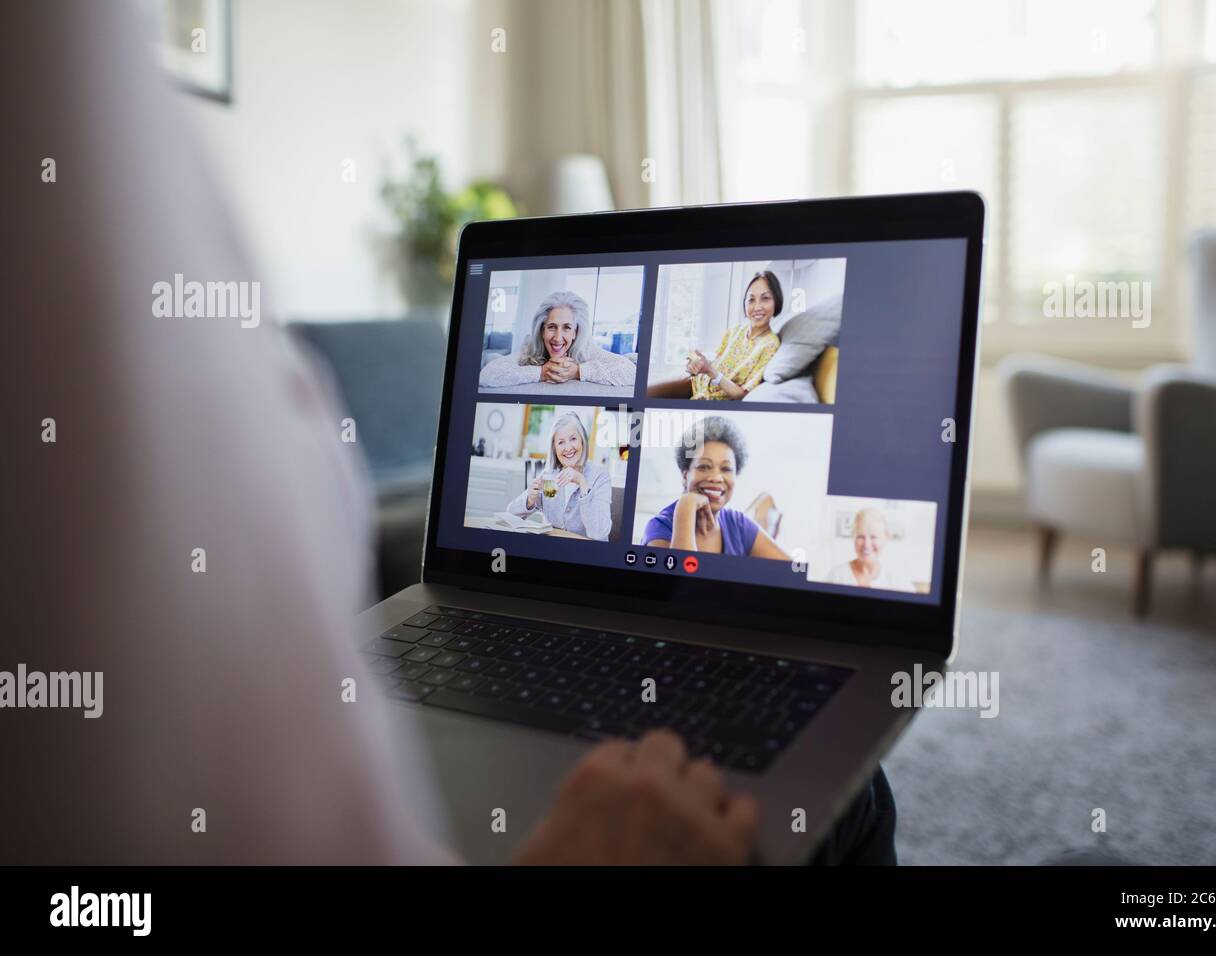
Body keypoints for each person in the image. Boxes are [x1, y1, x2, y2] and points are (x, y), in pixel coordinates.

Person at [5, 1, 895, 867]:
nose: (703, 473)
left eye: (713, 465)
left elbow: (792, 567)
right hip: (493, 621)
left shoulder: (738, 414)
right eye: (697, 460)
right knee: (857, 802)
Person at [642, 416, 789, 560]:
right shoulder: (660, 528)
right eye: (704, 467)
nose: (716, 477)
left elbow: (793, 574)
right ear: (685, 476)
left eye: (726, 469)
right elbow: (681, 581)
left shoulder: (739, 524)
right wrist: (685, 507)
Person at [648, 271, 783, 400]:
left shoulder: (770, 345)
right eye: (751, 299)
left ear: (776, 301)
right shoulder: (735, 332)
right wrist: (698, 364)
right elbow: (716, 361)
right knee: (646, 392)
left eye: (765, 298)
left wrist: (710, 371)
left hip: (709, 396)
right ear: (744, 303)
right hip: (693, 382)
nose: (757, 306)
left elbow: (742, 395)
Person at [479, 290, 636, 389]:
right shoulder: (531, 346)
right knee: (492, 358)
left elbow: (632, 372)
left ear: (576, 332)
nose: (558, 338)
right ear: (541, 330)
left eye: (567, 327)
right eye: (552, 327)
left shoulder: (586, 347)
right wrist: (542, 372)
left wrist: (577, 372)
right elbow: (487, 375)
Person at [507, 411, 612, 540]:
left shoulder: (599, 476)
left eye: (573, 439)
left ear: (582, 441)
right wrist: (529, 499)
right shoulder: (549, 476)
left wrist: (582, 482)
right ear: (554, 448)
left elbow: (599, 533)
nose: (568, 448)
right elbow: (510, 514)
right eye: (561, 442)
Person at [826, 508, 916, 592]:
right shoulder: (836, 576)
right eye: (860, 537)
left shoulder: (897, 581)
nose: (866, 545)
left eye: (873, 537)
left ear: (886, 538)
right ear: (853, 538)